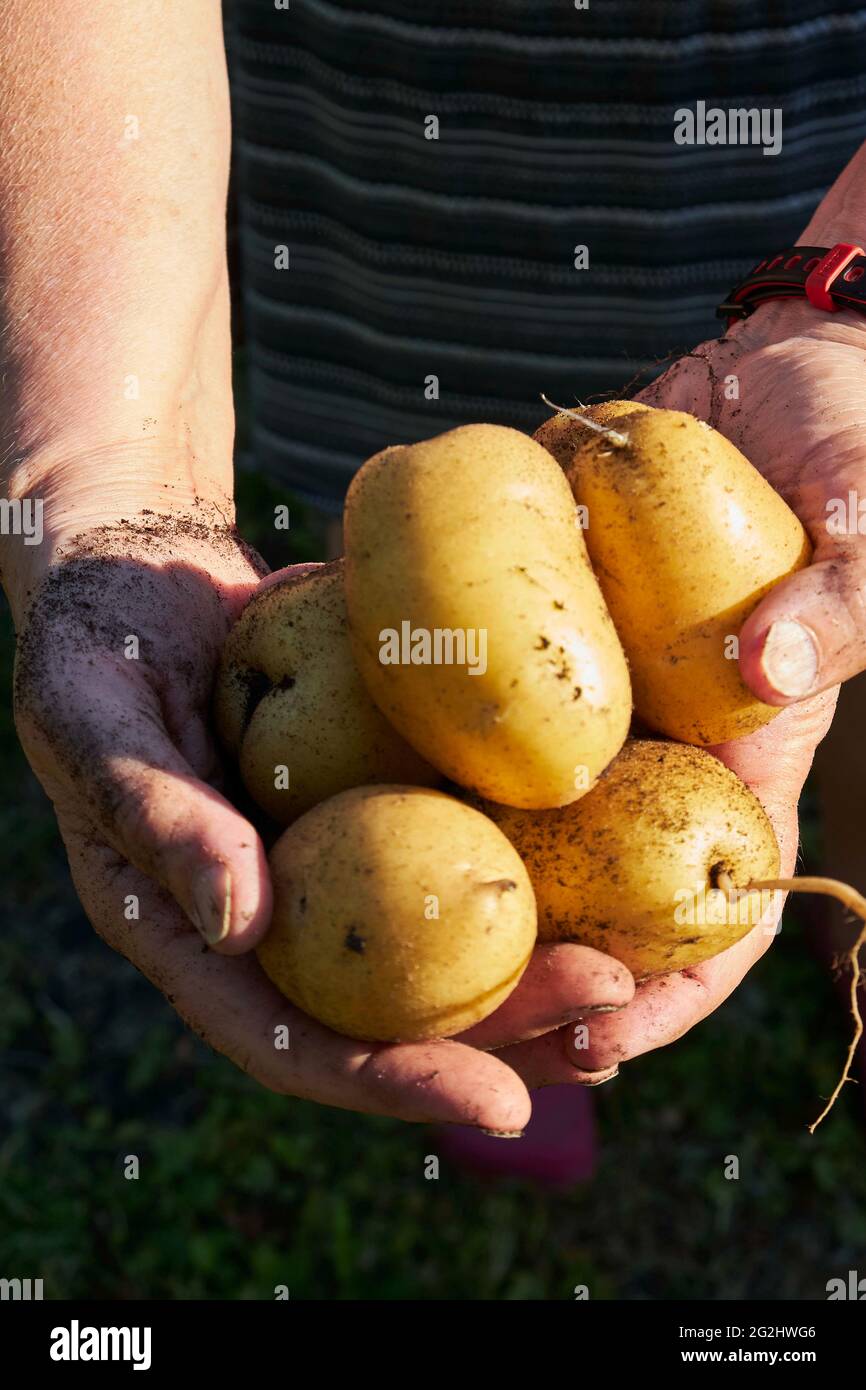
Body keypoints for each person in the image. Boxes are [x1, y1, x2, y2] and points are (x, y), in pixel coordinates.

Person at [1, 1, 863, 1151]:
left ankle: (824, 908)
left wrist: (840, 306)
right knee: (365, 574)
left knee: (814, 637)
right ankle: (518, 1036)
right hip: (384, 188)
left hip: (791, 176)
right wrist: (107, 471)